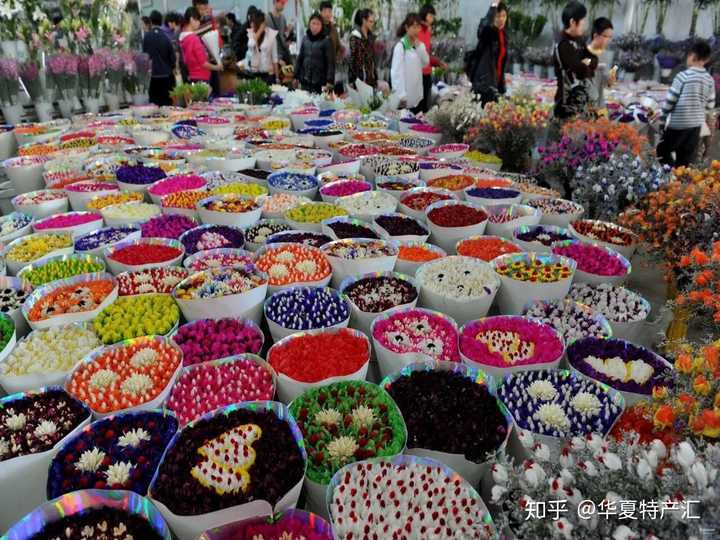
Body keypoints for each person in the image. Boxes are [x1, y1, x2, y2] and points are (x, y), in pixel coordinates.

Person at [656, 40, 716, 167]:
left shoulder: (682, 76)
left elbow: (670, 101)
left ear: (692, 56)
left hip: (678, 125)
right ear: (707, 59)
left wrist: (662, 120)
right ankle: (679, 181)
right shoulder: (710, 80)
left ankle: (668, 174)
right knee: (685, 159)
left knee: (662, 151)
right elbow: (710, 105)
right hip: (695, 126)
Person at [553, 1, 597, 120]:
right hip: (566, 103)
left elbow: (594, 60)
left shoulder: (580, 41)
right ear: (573, 22)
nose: (585, 25)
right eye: (583, 21)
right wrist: (584, 64)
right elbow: (580, 70)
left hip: (581, 100)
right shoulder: (563, 45)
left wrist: (587, 63)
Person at [470, 2, 508, 106]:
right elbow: (483, 28)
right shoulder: (488, 32)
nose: (501, 19)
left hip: (496, 84)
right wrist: (493, 6)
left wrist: (502, 87)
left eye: (504, 16)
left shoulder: (503, 34)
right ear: (493, 17)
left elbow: (501, 62)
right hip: (484, 85)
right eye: (498, 16)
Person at [390, 13, 429, 113]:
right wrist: (402, 96)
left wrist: (420, 47)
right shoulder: (401, 46)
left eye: (418, 27)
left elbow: (425, 63)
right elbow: (396, 74)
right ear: (407, 28)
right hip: (405, 100)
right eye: (414, 27)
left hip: (417, 97)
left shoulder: (420, 46)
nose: (416, 30)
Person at [180, 7, 222, 87]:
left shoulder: (182, 37)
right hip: (201, 78)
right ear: (192, 19)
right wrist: (217, 67)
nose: (199, 23)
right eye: (198, 20)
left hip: (191, 76)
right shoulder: (194, 39)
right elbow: (203, 63)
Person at [294, 12, 335, 94]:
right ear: (309, 24)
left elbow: (330, 62)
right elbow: (300, 58)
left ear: (322, 25)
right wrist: (296, 76)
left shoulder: (326, 40)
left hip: (320, 83)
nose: (315, 26)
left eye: (318, 24)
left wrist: (330, 81)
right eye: (313, 23)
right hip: (305, 82)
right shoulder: (305, 39)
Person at [418, 4, 447, 112]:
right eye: (431, 16)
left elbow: (427, 52)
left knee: (425, 104)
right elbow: (421, 53)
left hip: (426, 71)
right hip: (418, 72)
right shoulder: (419, 30)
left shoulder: (427, 31)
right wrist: (437, 62)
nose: (432, 19)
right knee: (419, 105)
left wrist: (436, 62)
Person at [143, 10, 176, 106]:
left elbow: (145, 57)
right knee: (167, 106)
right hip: (166, 77)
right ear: (161, 21)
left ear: (150, 21)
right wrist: (172, 66)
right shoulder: (166, 37)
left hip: (153, 77)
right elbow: (172, 57)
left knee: (154, 107)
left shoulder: (146, 37)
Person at [586, 17, 616, 110]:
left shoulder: (605, 55)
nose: (608, 40)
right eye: (605, 36)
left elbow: (604, 82)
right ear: (595, 36)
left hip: (599, 104)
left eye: (610, 37)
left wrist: (610, 80)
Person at [244, 10, 279, 84]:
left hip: (267, 75)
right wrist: (259, 31)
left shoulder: (271, 35)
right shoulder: (251, 34)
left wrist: (277, 78)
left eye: (253, 22)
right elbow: (251, 45)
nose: (251, 24)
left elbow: (275, 58)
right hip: (253, 74)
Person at [348, 8, 378, 89]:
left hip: (370, 79)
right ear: (364, 20)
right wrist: (352, 80)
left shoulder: (371, 37)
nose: (372, 24)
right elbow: (353, 60)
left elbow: (372, 60)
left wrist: (375, 77)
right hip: (359, 79)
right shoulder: (355, 36)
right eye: (370, 21)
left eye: (373, 22)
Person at [266, 0, 292, 66]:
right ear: (275, 2)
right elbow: (266, 43)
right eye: (282, 3)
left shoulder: (283, 18)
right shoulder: (267, 19)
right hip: (273, 59)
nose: (283, 5)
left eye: (284, 3)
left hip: (284, 55)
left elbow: (283, 36)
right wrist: (276, 59)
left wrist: (288, 32)